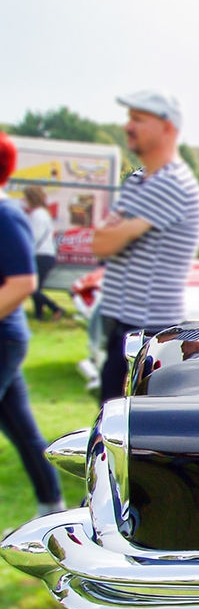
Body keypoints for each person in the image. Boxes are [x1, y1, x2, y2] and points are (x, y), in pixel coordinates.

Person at [91, 90, 199, 404]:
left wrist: (119, 230)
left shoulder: (170, 183)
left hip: (152, 323)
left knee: (131, 411)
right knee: (113, 401)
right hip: (129, 317)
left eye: (139, 120)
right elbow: (101, 240)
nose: (130, 127)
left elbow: (108, 239)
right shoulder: (142, 182)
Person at [0, 133, 66, 516]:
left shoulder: (7, 216)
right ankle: (52, 510)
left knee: (23, 432)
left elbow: (24, 283)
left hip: (3, 339)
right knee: (24, 434)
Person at [23, 186, 65, 320]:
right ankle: (39, 316)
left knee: (31, 288)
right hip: (44, 255)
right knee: (36, 288)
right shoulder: (40, 213)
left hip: (41, 255)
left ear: (31, 199)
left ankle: (56, 308)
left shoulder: (38, 215)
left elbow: (34, 237)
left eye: (25, 198)